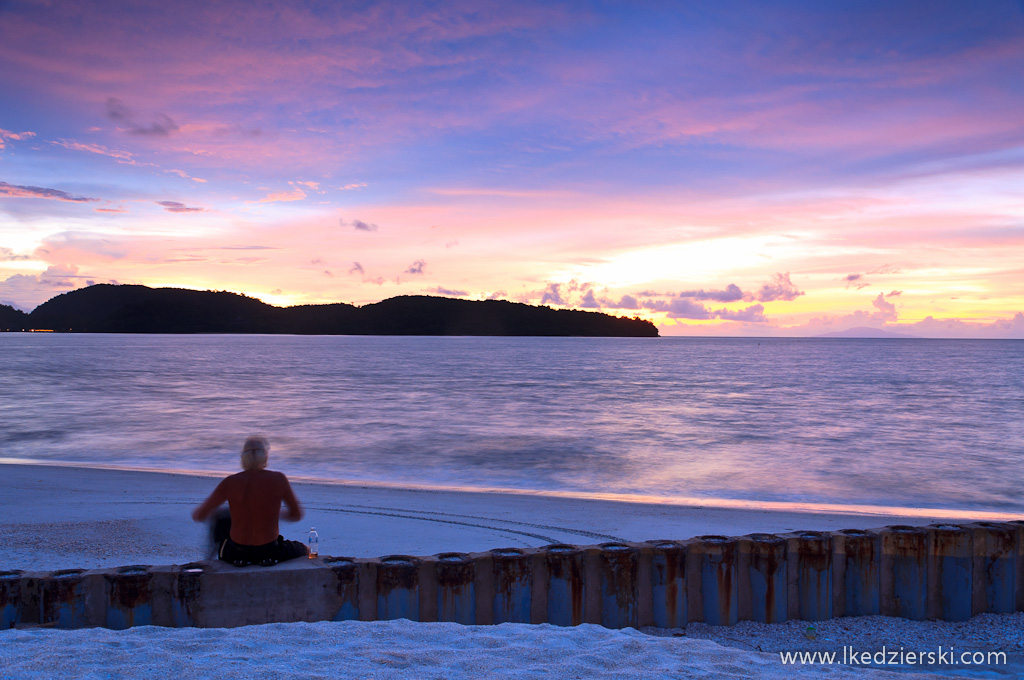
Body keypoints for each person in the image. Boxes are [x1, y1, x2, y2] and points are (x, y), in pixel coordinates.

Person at [192, 435, 309, 567]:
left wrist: (231, 513)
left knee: (223, 521)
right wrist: (274, 513)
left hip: (236, 553)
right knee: (306, 550)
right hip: (270, 551)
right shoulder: (278, 479)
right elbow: (296, 515)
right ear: (265, 456)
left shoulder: (230, 482)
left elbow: (198, 515)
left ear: (243, 457)